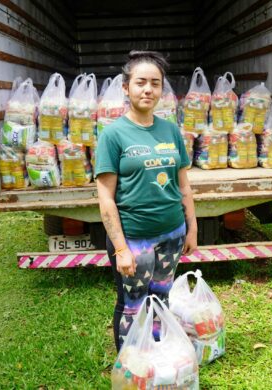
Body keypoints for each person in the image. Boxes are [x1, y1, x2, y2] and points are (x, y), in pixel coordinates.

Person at [94, 51, 198, 352]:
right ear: (126, 88)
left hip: (172, 235)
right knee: (132, 305)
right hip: (134, 239)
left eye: (155, 83)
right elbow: (105, 198)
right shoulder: (113, 135)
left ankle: (156, 360)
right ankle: (131, 368)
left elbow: (184, 186)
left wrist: (191, 228)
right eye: (141, 82)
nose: (148, 89)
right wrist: (121, 249)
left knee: (161, 299)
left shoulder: (170, 130)